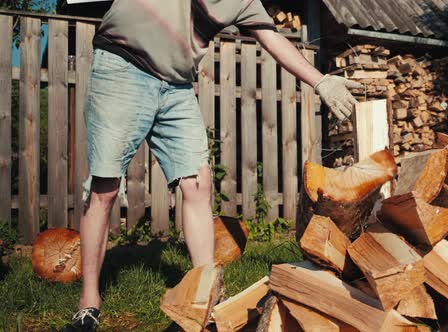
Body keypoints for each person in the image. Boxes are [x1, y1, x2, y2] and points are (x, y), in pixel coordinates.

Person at [66, 1, 361, 331]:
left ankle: (204, 297)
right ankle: (88, 302)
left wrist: (320, 82)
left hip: (176, 86)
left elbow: (272, 38)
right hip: (123, 65)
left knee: (198, 182)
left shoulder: (245, 2)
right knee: (104, 189)